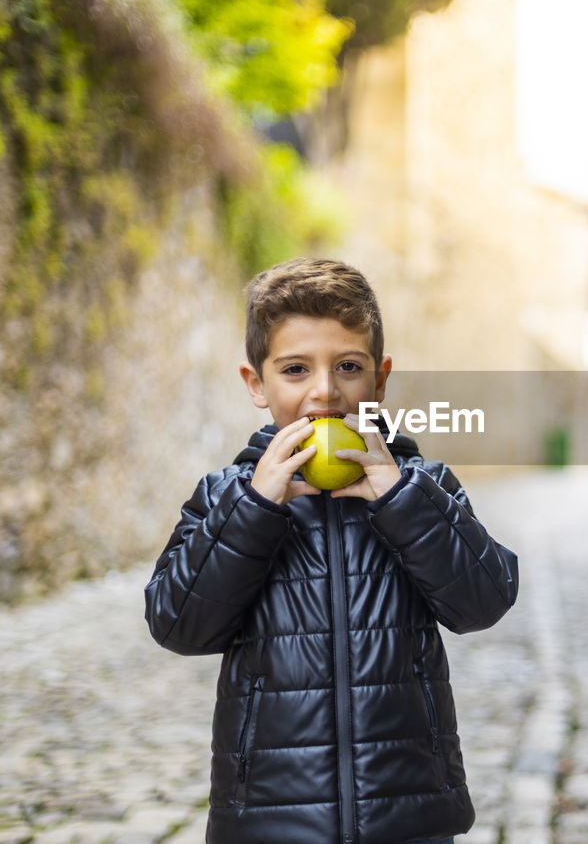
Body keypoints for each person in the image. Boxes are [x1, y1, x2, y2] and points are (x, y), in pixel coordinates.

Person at [144, 258, 520, 843]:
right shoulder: (227, 498)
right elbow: (178, 626)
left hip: (409, 816)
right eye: (295, 369)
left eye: (348, 366)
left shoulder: (421, 485)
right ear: (255, 384)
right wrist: (254, 510)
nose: (324, 391)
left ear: (380, 380)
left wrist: (401, 500)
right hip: (271, 820)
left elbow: (485, 601)